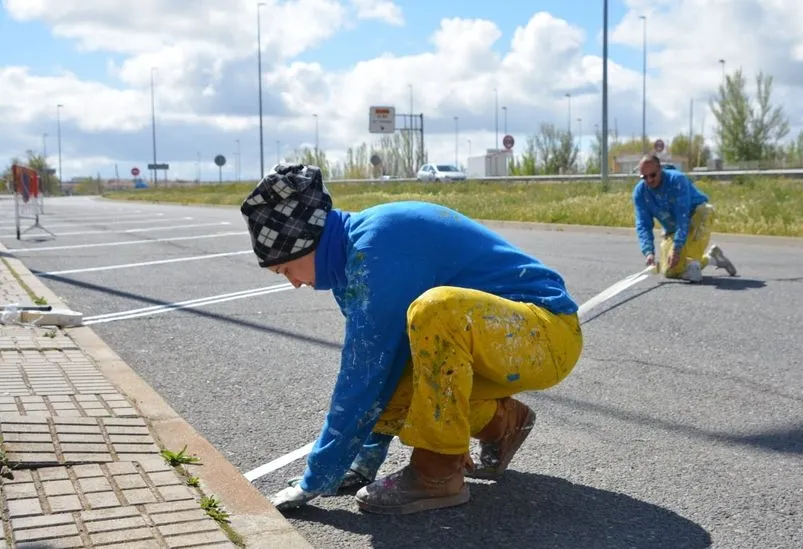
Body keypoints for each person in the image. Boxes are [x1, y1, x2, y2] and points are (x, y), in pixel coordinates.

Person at [239, 164, 584, 515]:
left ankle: (438, 473)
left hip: (546, 334)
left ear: (307, 243)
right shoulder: (350, 265)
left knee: (435, 311)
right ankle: (503, 422)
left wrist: (315, 478)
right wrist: (361, 465)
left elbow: (361, 380)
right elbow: (382, 373)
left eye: (285, 270)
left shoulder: (375, 246)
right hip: (495, 344)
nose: (293, 283)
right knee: (397, 377)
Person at [632, 155, 737, 282]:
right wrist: (648, 251)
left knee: (702, 214)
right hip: (674, 229)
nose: (649, 180)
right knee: (670, 271)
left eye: (653, 175)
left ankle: (693, 262)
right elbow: (643, 224)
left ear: (660, 169)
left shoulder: (677, 180)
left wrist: (676, 250)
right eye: (644, 177)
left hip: (697, 218)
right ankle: (712, 259)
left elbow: (683, 216)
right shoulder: (640, 192)